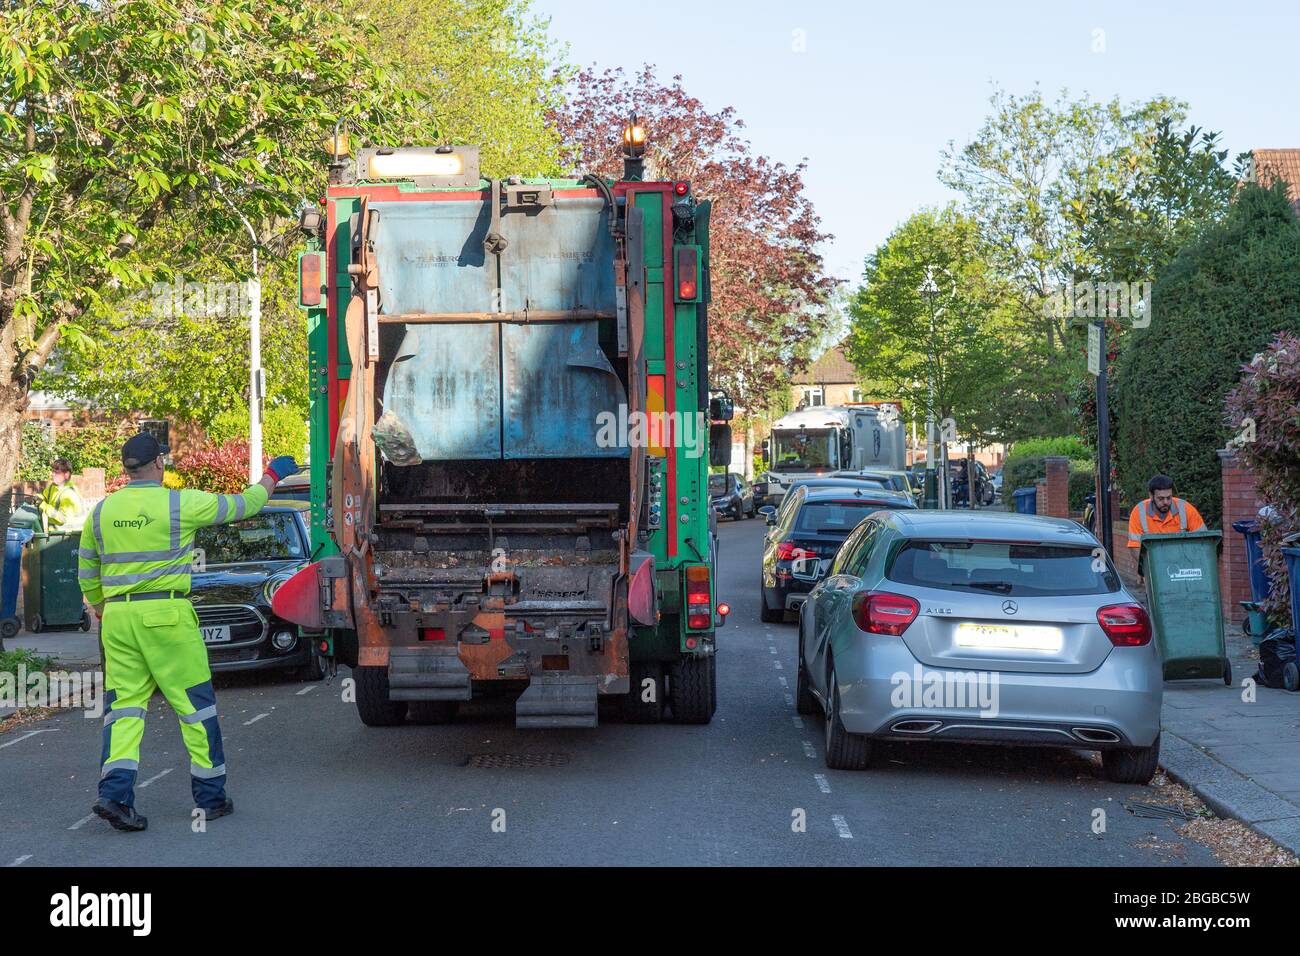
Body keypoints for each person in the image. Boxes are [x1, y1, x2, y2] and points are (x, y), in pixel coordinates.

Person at [76, 432, 299, 832]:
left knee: (124, 710)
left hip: (119, 620)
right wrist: (272, 474)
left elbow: (87, 569)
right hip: (168, 617)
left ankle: (114, 796)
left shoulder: (102, 511)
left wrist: (101, 606)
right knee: (196, 709)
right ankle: (210, 798)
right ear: (159, 464)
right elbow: (246, 505)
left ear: (126, 469)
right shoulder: (180, 502)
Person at [1127, 473, 1206, 560]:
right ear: (1151, 496)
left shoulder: (1185, 509)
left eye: (1169, 498)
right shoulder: (1139, 512)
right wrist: (1151, 567)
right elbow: (1135, 547)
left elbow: (1204, 541)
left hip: (1184, 564)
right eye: (1161, 498)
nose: (1166, 502)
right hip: (1154, 566)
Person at [40, 458, 84, 531]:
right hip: (55, 535)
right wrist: (36, 498)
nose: (52, 474)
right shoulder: (53, 487)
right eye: (53, 471)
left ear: (66, 475)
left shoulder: (69, 493)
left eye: (56, 472)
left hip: (69, 537)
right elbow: (43, 496)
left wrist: (43, 505)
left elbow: (63, 518)